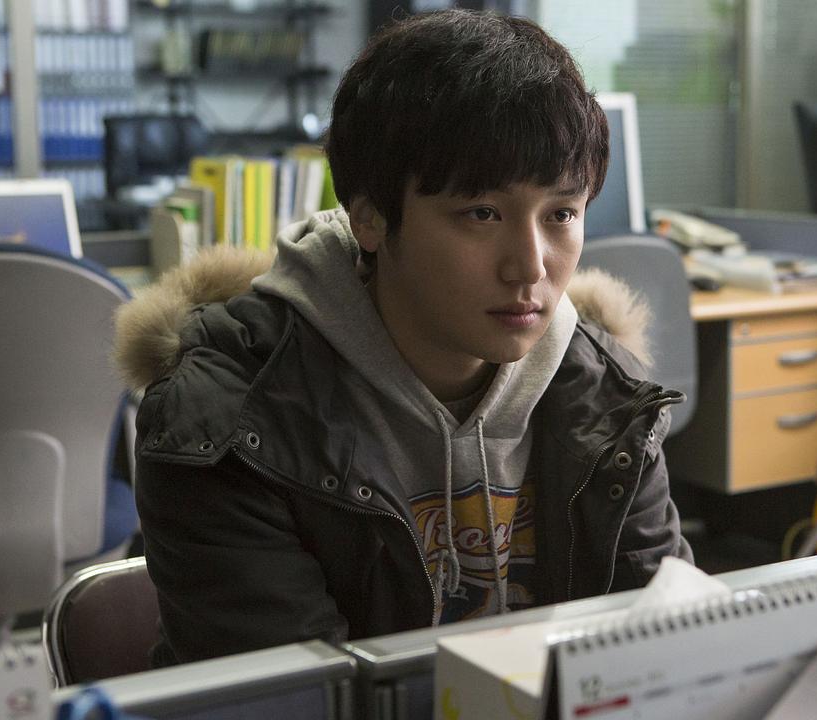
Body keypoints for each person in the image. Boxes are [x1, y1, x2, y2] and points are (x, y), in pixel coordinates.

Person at [115, 8, 692, 667]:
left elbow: (671, 656)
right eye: (482, 213)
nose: (531, 267)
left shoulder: (603, 395)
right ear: (369, 219)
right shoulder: (226, 419)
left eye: (561, 213)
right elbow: (297, 699)